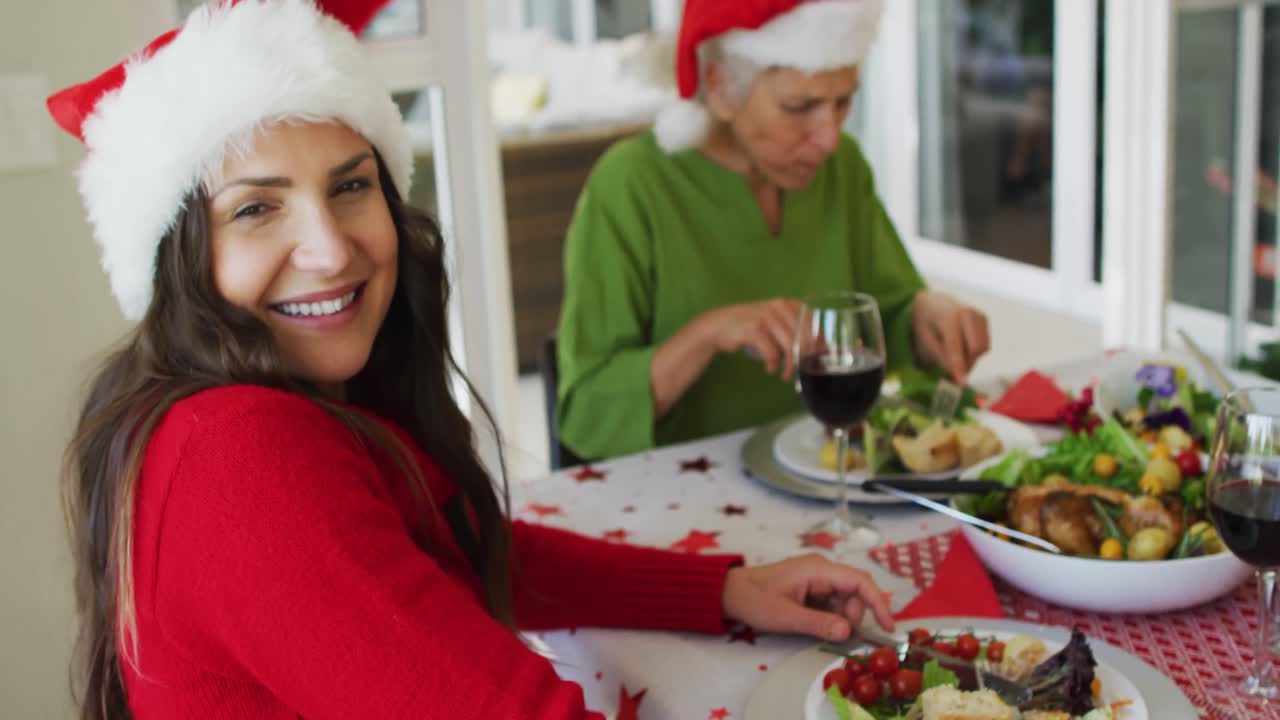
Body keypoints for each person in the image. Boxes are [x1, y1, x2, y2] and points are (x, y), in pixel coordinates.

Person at [50, 1, 895, 718]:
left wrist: (723, 590)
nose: (330, 248)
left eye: (350, 186)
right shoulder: (237, 450)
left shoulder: (291, 400)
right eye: (257, 209)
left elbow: (462, 552)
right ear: (180, 258)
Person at [556, 0, 992, 460]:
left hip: (832, 475)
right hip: (681, 495)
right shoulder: (630, 186)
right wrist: (709, 333)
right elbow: (585, 413)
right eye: (799, 106)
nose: (828, 137)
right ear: (720, 87)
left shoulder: (843, 167)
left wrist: (929, 315)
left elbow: (888, 319)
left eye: (843, 101)